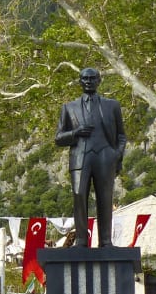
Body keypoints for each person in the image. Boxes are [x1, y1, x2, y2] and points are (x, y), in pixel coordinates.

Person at [53, 67, 127, 247]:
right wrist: (75, 132)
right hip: (80, 157)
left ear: (99, 81)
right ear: (80, 81)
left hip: (105, 156)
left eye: (92, 78)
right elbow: (58, 138)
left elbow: (121, 136)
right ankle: (81, 240)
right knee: (79, 196)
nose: (88, 81)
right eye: (85, 78)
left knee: (105, 198)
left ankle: (106, 241)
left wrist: (116, 155)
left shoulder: (112, 106)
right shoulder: (69, 107)